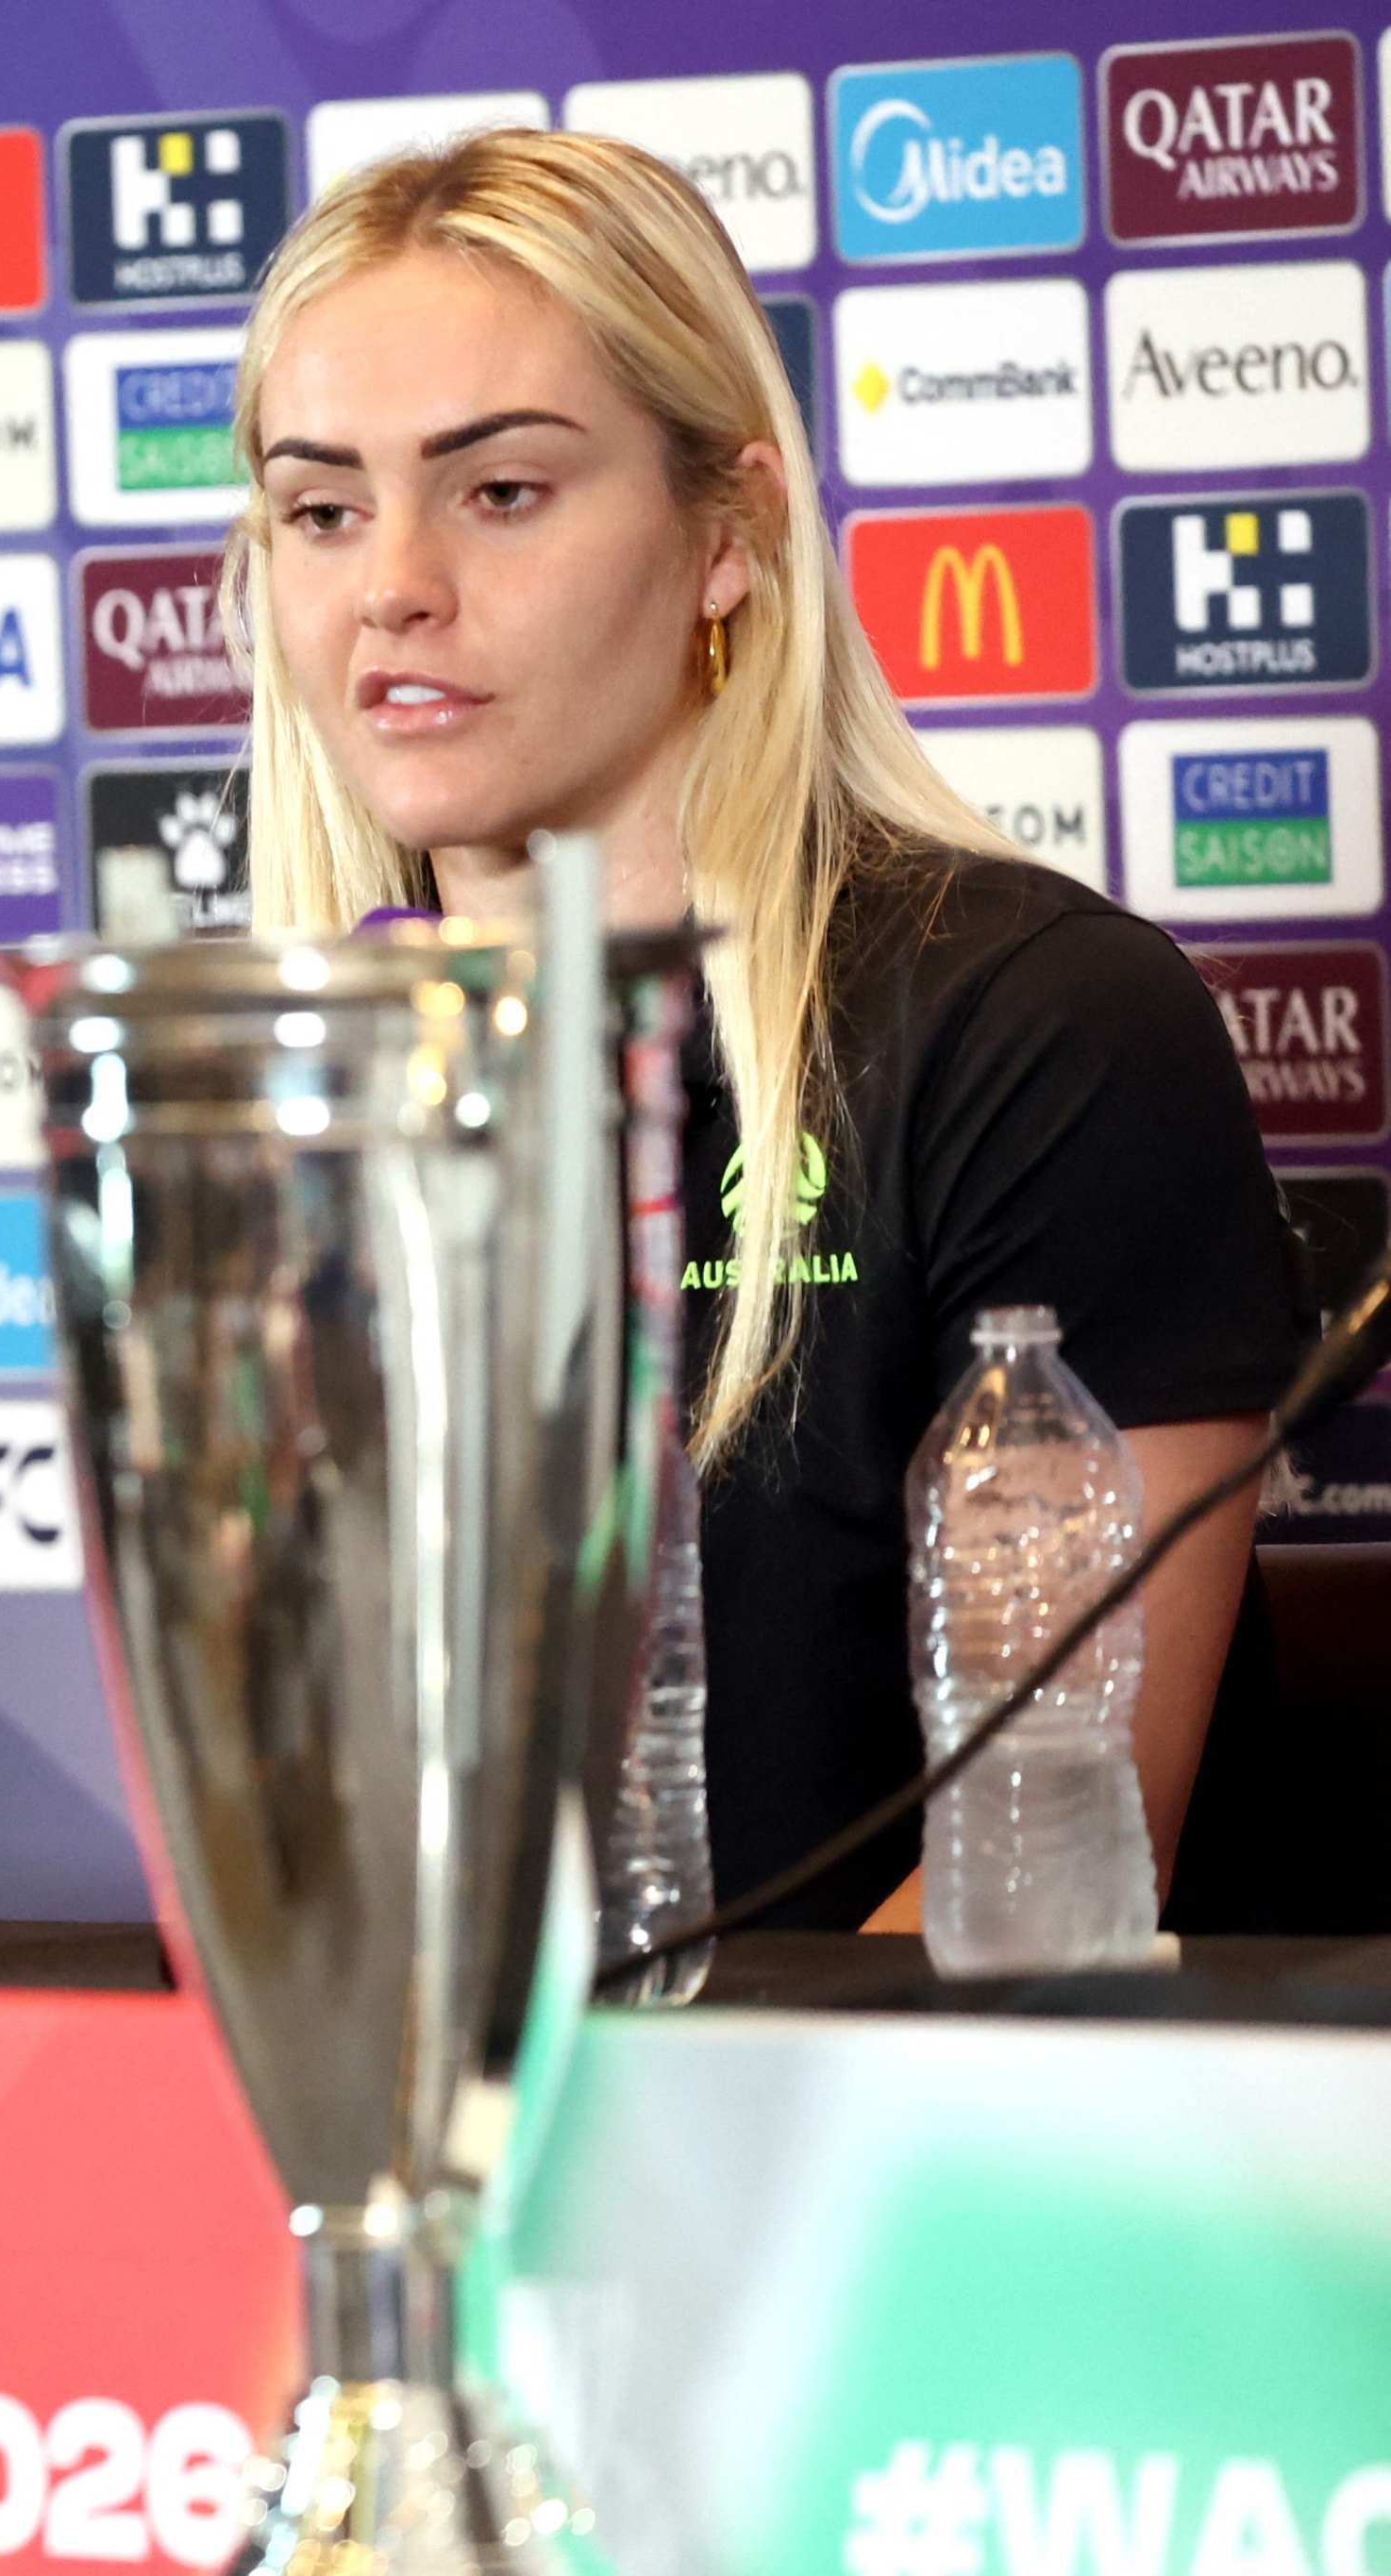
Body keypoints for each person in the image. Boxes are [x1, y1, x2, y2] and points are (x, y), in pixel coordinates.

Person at [227, 131, 1316, 1931]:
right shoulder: (309, 1087)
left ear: (727, 535)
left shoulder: (1046, 1027)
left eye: (499, 491)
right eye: (322, 508)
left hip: (922, 2172)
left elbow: (1027, 1897)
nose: (390, 586)